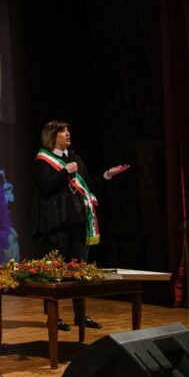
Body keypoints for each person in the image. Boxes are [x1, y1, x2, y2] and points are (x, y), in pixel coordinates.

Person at [32, 120, 130, 331]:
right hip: (55, 224)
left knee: (79, 272)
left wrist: (106, 176)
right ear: (52, 135)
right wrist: (65, 171)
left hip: (78, 221)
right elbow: (46, 187)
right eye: (63, 131)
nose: (68, 134)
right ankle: (53, 317)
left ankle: (80, 315)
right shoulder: (43, 160)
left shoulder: (76, 159)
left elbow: (88, 187)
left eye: (68, 130)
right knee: (54, 273)